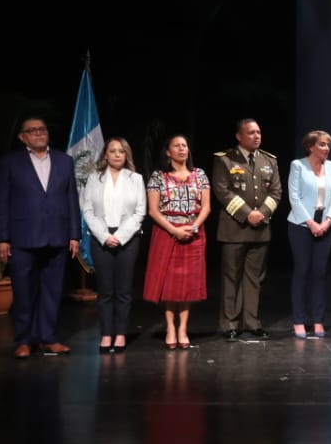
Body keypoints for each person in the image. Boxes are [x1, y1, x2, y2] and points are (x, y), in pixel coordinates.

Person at [0, 116, 81, 359]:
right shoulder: (10, 163)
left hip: (57, 236)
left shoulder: (64, 161)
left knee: (52, 291)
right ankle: (24, 339)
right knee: (23, 291)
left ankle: (49, 338)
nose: (39, 133)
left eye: (42, 129)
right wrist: (1, 237)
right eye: (33, 130)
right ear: (22, 137)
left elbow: (71, 199)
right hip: (22, 237)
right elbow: (0, 202)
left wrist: (74, 234)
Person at [210, 118, 281, 341]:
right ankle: (230, 323)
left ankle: (252, 322)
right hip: (234, 229)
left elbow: (276, 192)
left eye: (258, 132)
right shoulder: (225, 160)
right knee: (231, 277)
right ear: (239, 136)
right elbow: (222, 191)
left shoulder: (269, 160)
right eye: (251, 133)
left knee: (254, 278)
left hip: (260, 229)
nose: (257, 136)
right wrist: (247, 213)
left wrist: (263, 214)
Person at [142, 134, 211, 350]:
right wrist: (174, 230)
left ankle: (183, 329)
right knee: (169, 285)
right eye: (177, 146)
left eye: (185, 145)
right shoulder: (158, 177)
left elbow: (206, 207)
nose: (182, 149)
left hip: (193, 234)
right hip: (166, 233)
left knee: (188, 285)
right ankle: (170, 327)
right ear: (168, 152)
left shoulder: (199, 175)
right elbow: (153, 211)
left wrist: (192, 227)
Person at [79, 137, 147, 354]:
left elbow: (140, 211)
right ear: (105, 155)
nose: (117, 154)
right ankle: (106, 334)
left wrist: (121, 235)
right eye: (113, 151)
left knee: (124, 290)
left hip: (128, 238)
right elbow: (87, 210)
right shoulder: (93, 178)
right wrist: (104, 236)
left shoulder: (135, 179)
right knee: (106, 290)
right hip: (101, 238)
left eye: (121, 151)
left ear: (126, 155)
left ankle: (120, 334)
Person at [287, 130, 331, 338]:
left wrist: (328, 222)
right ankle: (299, 320)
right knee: (302, 271)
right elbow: (294, 197)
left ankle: (318, 320)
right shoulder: (298, 166)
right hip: (301, 225)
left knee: (320, 273)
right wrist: (310, 223)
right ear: (311, 147)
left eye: (328, 145)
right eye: (322, 144)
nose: (326, 148)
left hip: (325, 225)